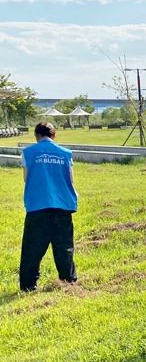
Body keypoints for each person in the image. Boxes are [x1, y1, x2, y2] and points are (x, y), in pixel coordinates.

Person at [19, 122, 78, 291]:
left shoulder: (28, 153)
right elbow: (71, 179)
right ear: (54, 135)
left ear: (36, 136)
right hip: (62, 204)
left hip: (38, 205)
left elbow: (26, 178)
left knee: (32, 247)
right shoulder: (66, 154)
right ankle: (68, 281)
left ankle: (28, 285)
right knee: (64, 246)